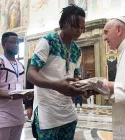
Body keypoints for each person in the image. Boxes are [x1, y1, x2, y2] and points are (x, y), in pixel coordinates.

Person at [27, 4, 89, 140]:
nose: (79, 31)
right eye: (75, 26)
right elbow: (31, 73)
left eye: (82, 28)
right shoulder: (48, 41)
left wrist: (84, 88)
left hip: (68, 112)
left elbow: (75, 77)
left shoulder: (77, 50)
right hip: (47, 111)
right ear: (65, 23)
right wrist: (56, 85)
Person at [0, 32, 26, 140]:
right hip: (1, 114)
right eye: (12, 42)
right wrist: (10, 96)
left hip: (18, 113)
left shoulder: (20, 65)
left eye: (17, 42)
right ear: (4, 44)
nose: (16, 45)